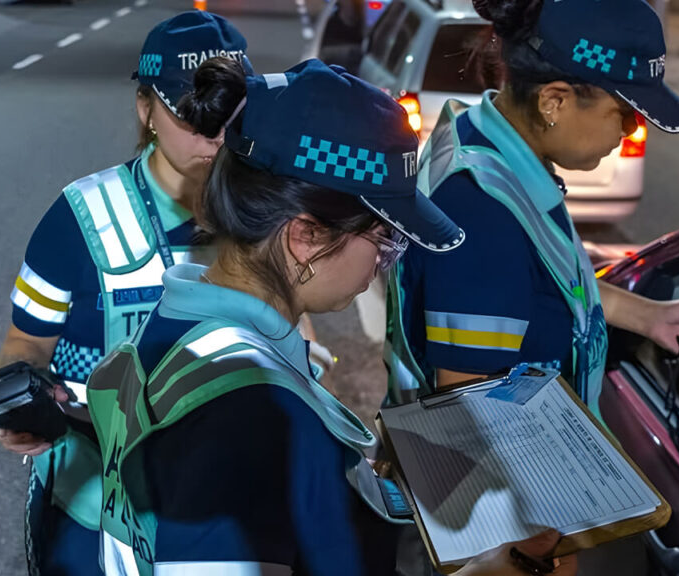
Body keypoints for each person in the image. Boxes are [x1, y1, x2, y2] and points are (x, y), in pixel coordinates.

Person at [85, 59, 577, 576]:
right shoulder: (250, 411)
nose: (384, 261)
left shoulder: (178, 323)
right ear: (306, 237)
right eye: (384, 239)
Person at [0, 12, 251, 576]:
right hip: (90, 511)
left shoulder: (263, 218)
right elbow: (25, 344)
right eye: (189, 112)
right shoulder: (81, 217)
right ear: (146, 110)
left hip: (218, 511)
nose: (211, 134)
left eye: (228, 114)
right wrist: (21, 405)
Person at [385, 0, 679, 415]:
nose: (633, 129)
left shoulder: (484, 140)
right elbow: (471, 420)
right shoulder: (482, 210)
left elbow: (546, 284)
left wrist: (650, 316)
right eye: (625, 113)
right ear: (554, 102)